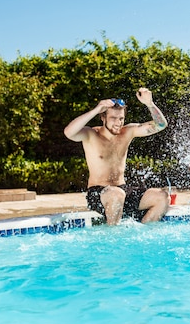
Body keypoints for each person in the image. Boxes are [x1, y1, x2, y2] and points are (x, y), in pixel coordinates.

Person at [64, 88, 169, 225]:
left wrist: (150, 104)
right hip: (98, 192)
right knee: (116, 194)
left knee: (162, 197)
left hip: (122, 189)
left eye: (121, 118)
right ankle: (112, 240)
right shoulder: (91, 135)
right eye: (113, 118)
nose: (118, 122)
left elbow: (161, 125)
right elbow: (68, 132)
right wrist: (97, 109)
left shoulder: (127, 132)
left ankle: (143, 236)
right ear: (103, 118)